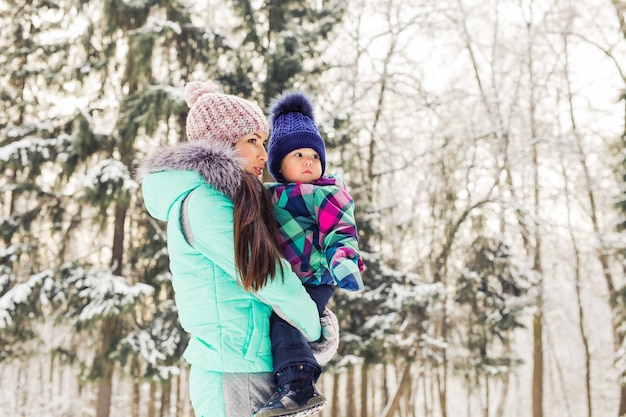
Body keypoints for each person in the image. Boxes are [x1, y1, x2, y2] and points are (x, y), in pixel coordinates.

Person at [137, 80, 325, 417]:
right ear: (221, 144)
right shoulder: (204, 202)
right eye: (252, 141)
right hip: (235, 372)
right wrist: (315, 328)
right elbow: (266, 274)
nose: (263, 155)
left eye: (263, 142)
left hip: (252, 366)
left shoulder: (228, 200)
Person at [254, 91, 365, 417]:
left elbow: (341, 232)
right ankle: (286, 385)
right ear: (278, 165)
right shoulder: (268, 196)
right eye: (298, 155)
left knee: (286, 320)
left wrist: (343, 261)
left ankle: (300, 387)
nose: (308, 161)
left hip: (316, 277)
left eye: (314, 156)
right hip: (282, 277)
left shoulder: (328, 194)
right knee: (274, 325)